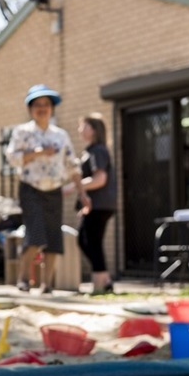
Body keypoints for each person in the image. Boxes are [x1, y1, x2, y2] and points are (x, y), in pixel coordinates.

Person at [4, 84, 83, 293]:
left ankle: (47, 284)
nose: (42, 108)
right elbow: (12, 158)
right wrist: (37, 152)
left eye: (46, 104)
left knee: (53, 238)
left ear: (51, 108)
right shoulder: (22, 132)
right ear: (30, 108)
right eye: (37, 104)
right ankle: (23, 279)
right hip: (30, 188)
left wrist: (82, 192)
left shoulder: (61, 135)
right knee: (35, 234)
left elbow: (72, 164)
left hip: (54, 190)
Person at [76, 113, 117, 294]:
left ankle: (100, 284)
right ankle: (104, 281)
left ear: (93, 129)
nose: (80, 130)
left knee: (90, 242)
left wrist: (73, 187)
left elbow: (100, 179)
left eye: (83, 126)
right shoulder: (92, 150)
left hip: (99, 204)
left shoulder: (97, 150)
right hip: (98, 204)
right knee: (88, 241)